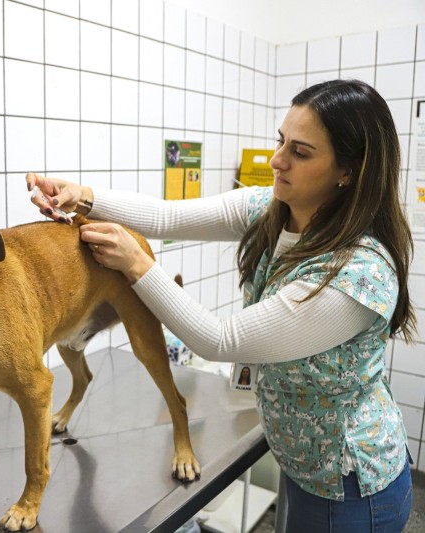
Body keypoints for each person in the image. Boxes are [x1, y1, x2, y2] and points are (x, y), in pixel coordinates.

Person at [28, 79, 415, 532]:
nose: (277, 160)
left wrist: (135, 263)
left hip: (350, 485)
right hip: (305, 463)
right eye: (280, 140)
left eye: (301, 152)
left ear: (348, 171)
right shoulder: (274, 210)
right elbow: (166, 216)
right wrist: (84, 196)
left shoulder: (356, 276)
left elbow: (221, 339)